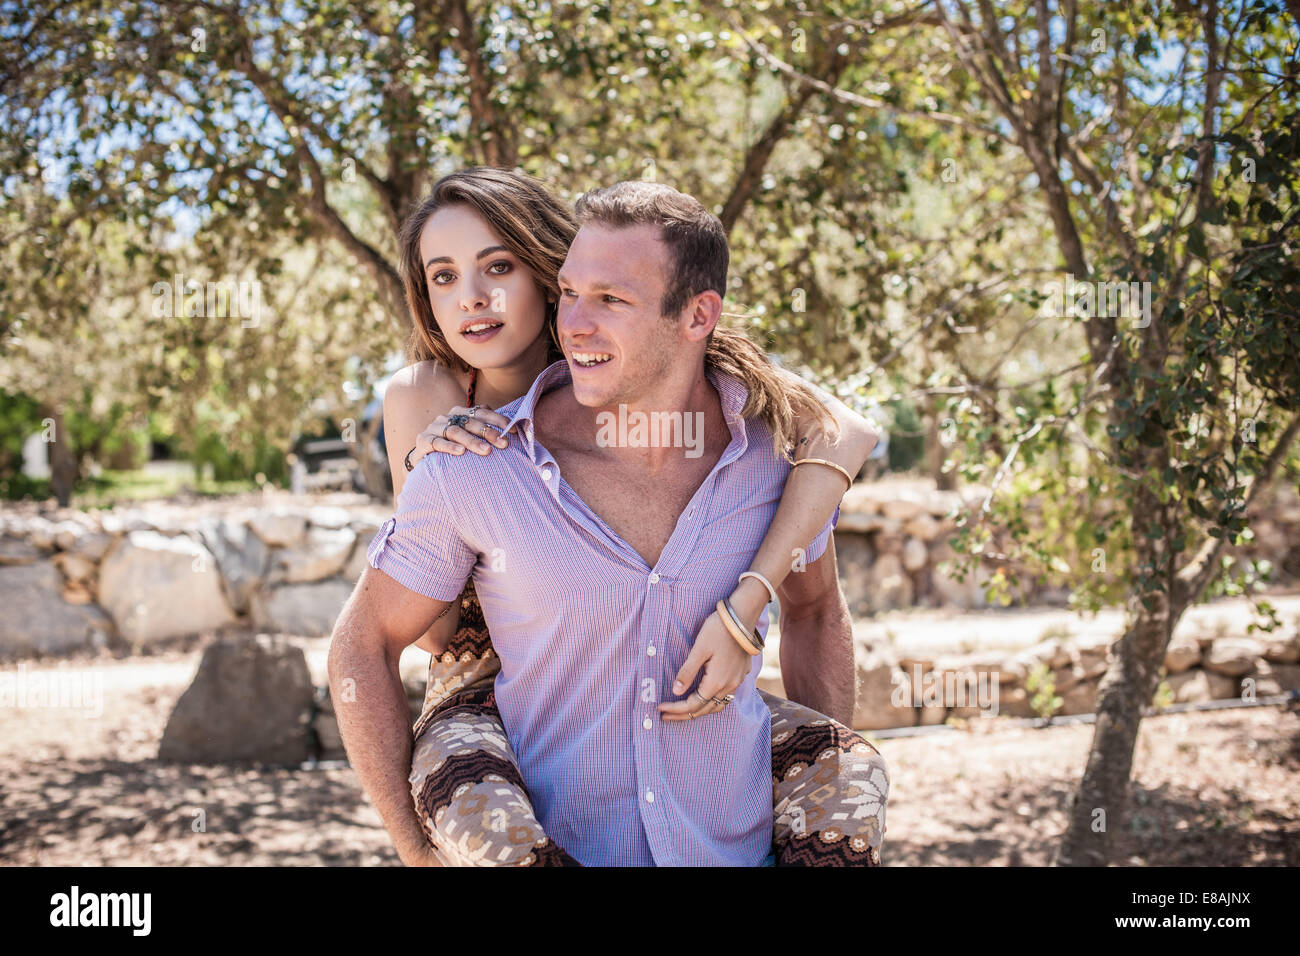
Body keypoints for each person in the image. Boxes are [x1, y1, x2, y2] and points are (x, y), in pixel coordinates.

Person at [329, 170, 889, 866]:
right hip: (475, 692)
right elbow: (422, 635)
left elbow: (840, 434)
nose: (473, 297)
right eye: (442, 277)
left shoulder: (753, 428)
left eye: (499, 267)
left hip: (693, 774)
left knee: (852, 769)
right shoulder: (444, 421)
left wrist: (747, 610)